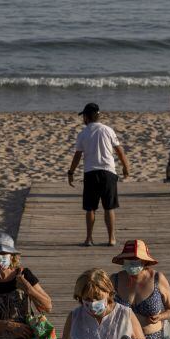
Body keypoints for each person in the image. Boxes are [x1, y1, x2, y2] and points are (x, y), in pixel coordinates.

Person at [68, 103, 130, 247]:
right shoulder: (108, 130)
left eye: (83, 116)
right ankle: (111, 239)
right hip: (108, 172)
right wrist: (126, 167)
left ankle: (89, 239)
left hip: (91, 173)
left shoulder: (83, 133)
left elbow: (77, 155)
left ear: (86, 117)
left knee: (90, 208)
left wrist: (71, 172)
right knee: (109, 207)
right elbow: (119, 150)